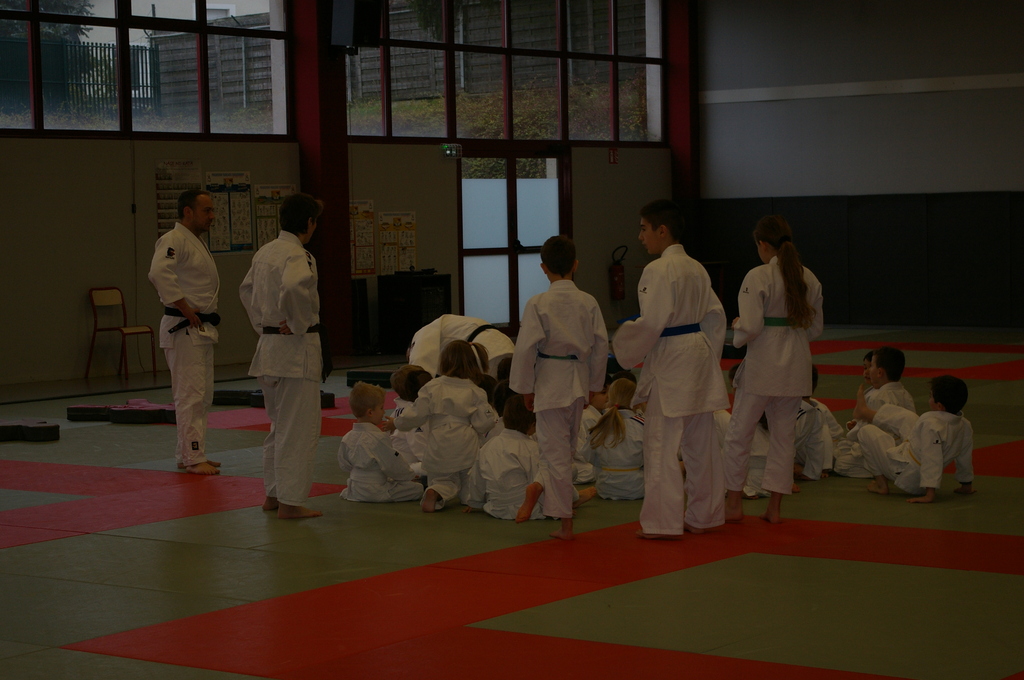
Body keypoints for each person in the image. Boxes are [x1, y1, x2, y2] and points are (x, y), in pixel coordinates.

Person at [613, 200, 730, 539]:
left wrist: (622, 345)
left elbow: (652, 323)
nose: (640, 237)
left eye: (644, 229)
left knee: (661, 444)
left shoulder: (658, 269)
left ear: (661, 230)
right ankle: (705, 516)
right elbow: (716, 317)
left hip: (672, 358)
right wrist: (709, 356)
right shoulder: (697, 268)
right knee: (702, 444)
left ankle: (662, 523)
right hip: (699, 353)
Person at [722, 214, 824, 524]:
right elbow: (815, 329)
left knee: (739, 433)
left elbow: (752, 326)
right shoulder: (809, 277)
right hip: (795, 365)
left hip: (764, 366)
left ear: (763, 244)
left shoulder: (758, 276)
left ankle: (734, 504)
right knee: (783, 437)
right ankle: (774, 509)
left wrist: (738, 327)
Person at [510, 235, 608, 541]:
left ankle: (566, 523)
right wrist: (594, 386)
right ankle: (564, 515)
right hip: (578, 379)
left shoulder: (537, 303)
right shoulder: (588, 301)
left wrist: (525, 388)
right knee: (567, 451)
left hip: (550, 381)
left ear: (543, 267)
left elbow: (525, 349)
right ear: (575, 265)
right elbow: (601, 346)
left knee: (555, 455)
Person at [239, 193, 325, 519]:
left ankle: (273, 495)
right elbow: (292, 287)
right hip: (295, 353)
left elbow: (246, 290)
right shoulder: (297, 254)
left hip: (269, 349)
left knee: (278, 426)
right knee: (298, 429)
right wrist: (298, 322)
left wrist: (265, 324)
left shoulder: (265, 252)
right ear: (309, 222)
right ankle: (290, 502)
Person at [148, 189, 221, 475]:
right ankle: (193, 456)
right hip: (184, 327)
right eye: (207, 210)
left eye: (212, 210)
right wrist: (185, 308)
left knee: (202, 395)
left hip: (199, 327)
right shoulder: (173, 239)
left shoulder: (195, 242)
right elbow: (158, 273)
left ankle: (189, 452)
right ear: (188, 212)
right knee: (190, 394)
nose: (212, 216)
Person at [394, 340, 497, 512]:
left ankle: (436, 490)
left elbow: (416, 414)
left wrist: (398, 422)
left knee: (442, 477)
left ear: (443, 361)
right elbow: (483, 424)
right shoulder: (475, 391)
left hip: (438, 440)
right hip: (465, 441)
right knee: (468, 479)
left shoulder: (432, 387)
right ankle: (469, 499)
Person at [850, 375, 974, 503]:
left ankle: (881, 485)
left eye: (930, 396)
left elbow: (932, 459)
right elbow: (964, 456)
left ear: (940, 406)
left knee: (866, 431)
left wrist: (929, 494)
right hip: (913, 461)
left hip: (906, 474)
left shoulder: (931, 426)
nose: (929, 399)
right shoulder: (964, 425)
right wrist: (966, 484)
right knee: (908, 417)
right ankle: (866, 412)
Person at [338, 382, 423, 503]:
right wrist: (409, 475)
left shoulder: (347, 437)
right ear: (370, 412)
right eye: (381, 408)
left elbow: (344, 465)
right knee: (417, 488)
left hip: (354, 488)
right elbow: (393, 464)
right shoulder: (379, 438)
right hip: (376, 491)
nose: (384, 412)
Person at [586, 378, 645, 500]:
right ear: (636, 400)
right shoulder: (643, 425)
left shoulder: (600, 425)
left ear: (610, 397)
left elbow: (589, 456)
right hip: (637, 488)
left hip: (605, 488)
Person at [408, 314, 515, 377]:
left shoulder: (421, 337)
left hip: (486, 351)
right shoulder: (440, 327)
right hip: (505, 344)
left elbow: (418, 376)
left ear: (410, 350)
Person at [388, 365, 431, 476]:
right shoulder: (411, 417)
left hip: (402, 462)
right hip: (404, 468)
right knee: (439, 465)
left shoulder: (406, 409)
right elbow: (423, 455)